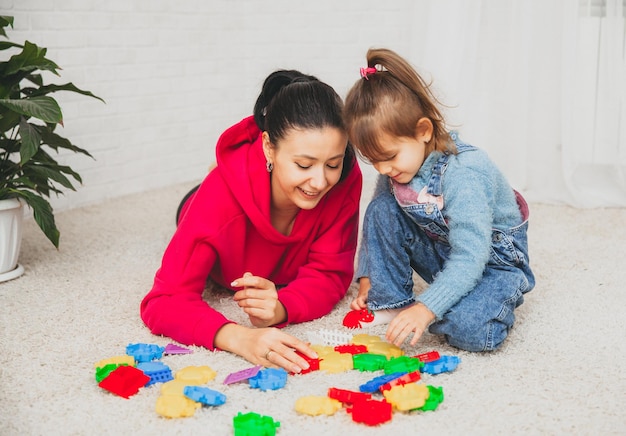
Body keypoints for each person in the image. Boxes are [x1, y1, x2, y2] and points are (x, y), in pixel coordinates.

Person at [141, 70, 362, 373]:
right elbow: (164, 300)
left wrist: (282, 306)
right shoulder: (219, 197)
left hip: (263, 215)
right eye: (304, 164)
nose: (320, 181)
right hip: (209, 203)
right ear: (269, 147)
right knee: (197, 205)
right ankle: (208, 179)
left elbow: (331, 273)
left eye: (332, 164)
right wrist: (240, 338)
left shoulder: (343, 180)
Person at [341, 48, 534, 352]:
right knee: (382, 207)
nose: (382, 169)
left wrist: (427, 308)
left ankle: (468, 303)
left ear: (423, 131)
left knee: (469, 330)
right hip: (446, 251)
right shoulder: (397, 168)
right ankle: (395, 304)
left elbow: (472, 256)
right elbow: (380, 221)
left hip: (491, 263)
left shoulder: (465, 173)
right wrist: (369, 276)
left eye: (389, 157)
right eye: (374, 161)